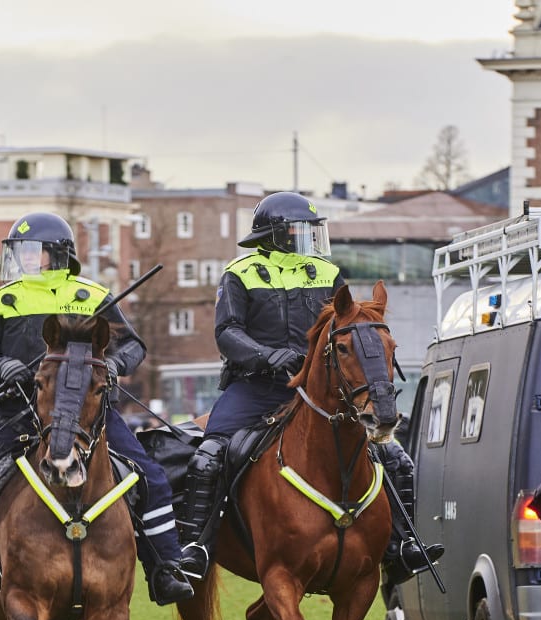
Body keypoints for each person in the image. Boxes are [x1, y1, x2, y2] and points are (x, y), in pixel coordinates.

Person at [0, 213, 196, 606]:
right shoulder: (0, 300)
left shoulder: (91, 296)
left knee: (150, 476)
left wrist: (114, 364)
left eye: (35, 251)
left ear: (59, 254)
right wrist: (0, 367)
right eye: (20, 251)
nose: (26, 258)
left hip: (88, 415)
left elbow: (134, 346)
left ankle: (166, 567)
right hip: (13, 413)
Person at [175, 191, 443, 581]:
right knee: (209, 454)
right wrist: (268, 356)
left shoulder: (327, 273)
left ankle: (402, 546)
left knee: (396, 458)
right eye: (302, 231)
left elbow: (346, 324)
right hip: (256, 387)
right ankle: (196, 547)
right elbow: (227, 333)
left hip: (318, 390)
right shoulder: (240, 272)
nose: (310, 239)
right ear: (275, 234)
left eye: (314, 231)